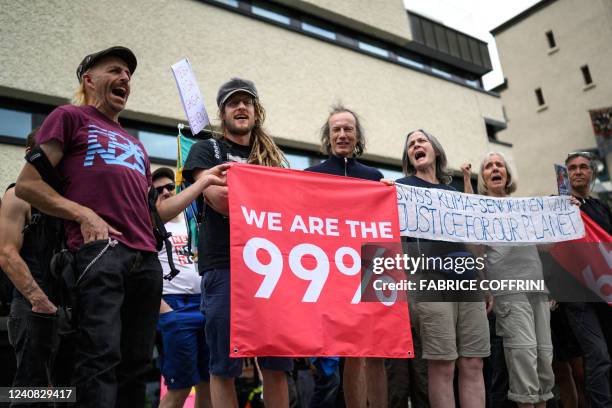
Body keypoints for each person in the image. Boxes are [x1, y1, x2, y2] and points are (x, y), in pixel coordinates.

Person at [14, 46, 228, 407]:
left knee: (137, 363)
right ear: (89, 80)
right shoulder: (69, 117)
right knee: (99, 356)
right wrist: (83, 214)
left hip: (146, 261)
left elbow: (153, 215)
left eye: (129, 75)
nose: (125, 78)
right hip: (100, 255)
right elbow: (28, 185)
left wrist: (202, 183)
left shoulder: (135, 144)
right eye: (114, 70)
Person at [183, 77, 291, 408]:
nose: (240, 107)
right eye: (233, 102)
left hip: (272, 267)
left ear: (257, 111)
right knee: (223, 366)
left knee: (277, 364)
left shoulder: (275, 157)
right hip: (224, 265)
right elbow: (218, 200)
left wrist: (242, 191)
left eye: (247, 102)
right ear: (222, 112)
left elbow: (291, 206)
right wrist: (266, 197)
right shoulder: (207, 149)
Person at [395, 129, 490, 408]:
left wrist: (483, 280)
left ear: (435, 150)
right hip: (429, 280)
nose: (416, 145)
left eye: (421, 141)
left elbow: (472, 243)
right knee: (443, 364)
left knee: (473, 362)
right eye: (411, 144)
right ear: (409, 157)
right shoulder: (401, 188)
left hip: (468, 280)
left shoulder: (454, 194)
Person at [305, 104, 387, 408]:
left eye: (347, 129)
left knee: (364, 354)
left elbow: (385, 229)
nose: (342, 134)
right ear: (328, 136)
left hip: (367, 271)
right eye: (336, 129)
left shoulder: (374, 177)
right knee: (326, 358)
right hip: (325, 275)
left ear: (357, 136)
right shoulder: (310, 176)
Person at [477, 152, 554, 408]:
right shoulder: (477, 212)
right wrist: (485, 289)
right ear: (484, 178)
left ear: (508, 174)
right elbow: (475, 254)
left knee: (544, 358)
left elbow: (546, 245)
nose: (495, 168)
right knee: (523, 358)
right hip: (509, 292)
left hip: (537, 290)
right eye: (489, 166)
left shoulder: (524, 208)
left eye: (499, 165)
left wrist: (566, 213)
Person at [0, 129, 74, 394]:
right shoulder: (17, 195)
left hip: (67, 312)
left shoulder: (66, 200)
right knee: (31, 394)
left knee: (65, 395)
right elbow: (6, 253)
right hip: (34, 310)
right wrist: (40, 301)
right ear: (29, 154)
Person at [152, 167, 211, 408]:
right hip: (174, 307)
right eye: (158, 190)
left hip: (205, 305)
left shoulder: (192, 220)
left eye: (170, 187)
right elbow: (141, 270)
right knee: (181, 386)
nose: (166, 192)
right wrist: (164, 310)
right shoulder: (150, 224)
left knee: (210, 383)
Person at [563, 151, 612, 408]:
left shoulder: (601, 207)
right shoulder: (557, 205)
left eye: (583, 167)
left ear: (592, 173)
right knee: (598, 355)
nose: (578, 171)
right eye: (572, 167)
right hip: (577, 295)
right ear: (566, 173)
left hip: (605, 291)